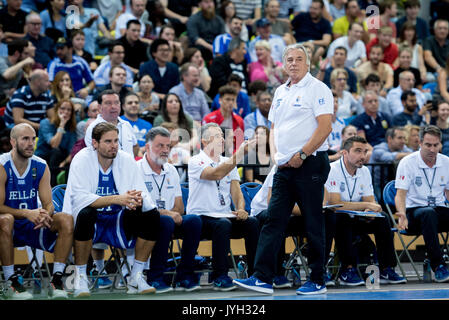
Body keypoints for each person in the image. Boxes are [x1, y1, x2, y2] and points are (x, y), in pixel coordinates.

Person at [234, 43, 334, 295]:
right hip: (284, 167)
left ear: (307, 63)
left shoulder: (318, 88)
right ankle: (262, 277)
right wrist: (278, 157)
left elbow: (325, 128)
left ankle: (318, 279)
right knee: (272, 219)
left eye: (298, 59)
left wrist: (302, 154)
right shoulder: (279, 91)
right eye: (288, 59)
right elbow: (275, 128)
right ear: (283, 63)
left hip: (310, 163)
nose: (292, 63)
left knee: (313, 222)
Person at [63, 122, 160, 297]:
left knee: (151, 215)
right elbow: (79, 198)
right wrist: (118, 198)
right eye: (108, 141)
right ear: (95, 143)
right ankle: (81, 276)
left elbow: (142, 193)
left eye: (116, 140)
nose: (113, 145)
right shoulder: (81, 159)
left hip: (117, 218)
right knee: (86, 213)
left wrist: (136, 199)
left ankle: (136, 275)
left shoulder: (126, 159)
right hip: (90, 220)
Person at [0, 123, 73, 300]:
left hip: (33, 224)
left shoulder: (41, 165)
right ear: (13, 142)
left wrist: (45, 214)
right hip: (7, 225)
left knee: (65, 219)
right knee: (6, 219)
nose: (31, 143)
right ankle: (11, 281)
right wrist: (27, 213)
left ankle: (56, 279)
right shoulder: (2, 165)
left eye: (33, 139)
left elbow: (48, 203)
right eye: (25, 139)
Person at [325, 135, 406, 286]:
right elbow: (335, 204)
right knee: (342, 219)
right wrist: (364, 206)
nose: (362, 156)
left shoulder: (365, 171)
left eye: (364, 151)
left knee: (382, 218)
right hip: (336, 219)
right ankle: (347, 270)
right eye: (357, 151)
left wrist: (371, 211)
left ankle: (386, 268)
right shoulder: (332, 169)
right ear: (344, 153)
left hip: (357, 217)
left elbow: (370, 202)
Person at [187, 123, 258, 291]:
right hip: (201, 217)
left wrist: (241, 209)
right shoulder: (196, 161)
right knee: (223, 224)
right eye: (217, 136)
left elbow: (236, 192)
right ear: (204, 141)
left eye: (222, 136)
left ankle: (255, 274)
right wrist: (240, 154)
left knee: (252, 222)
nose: (222, 139)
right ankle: (220, 276)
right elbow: (216, 174)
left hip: (224, 216)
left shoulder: (227, 161)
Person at [138, 127, 202, 292]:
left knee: (194, 220)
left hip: (169, 218)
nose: (165, 150)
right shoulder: (136, 168)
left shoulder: (171, 170)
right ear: (147, 146)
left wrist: (172, 214)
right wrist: (168, 214)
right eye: (160, 146)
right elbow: (140, 206)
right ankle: (156, 277)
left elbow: (179, 206)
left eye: (168, 146)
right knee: (165, 221)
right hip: (143, 220)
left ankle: (185, 275)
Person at [395, 125, 449, 283]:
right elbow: (400, 195)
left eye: (436, 145)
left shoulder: (446, 162)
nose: (432, 150)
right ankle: (438, 265)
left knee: (433, 213)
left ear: (440, 144)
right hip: (415, 213)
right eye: (428, 145)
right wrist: (402, 214)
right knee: (427, 213)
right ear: (419, 143)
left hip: (438, 210)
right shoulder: (407, 162)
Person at [35, 99, 77, 186]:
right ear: (56, 110)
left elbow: (72, 150)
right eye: (62, 108)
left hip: (60, 160)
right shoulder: (45, 123)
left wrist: (64, 162)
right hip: (43, 157)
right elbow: (54, 144)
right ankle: (50, 187)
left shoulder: (71, 128)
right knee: (56, 152)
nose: (65, 112)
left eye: (69, 110)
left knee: (71, 163)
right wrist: (62, 124)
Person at [85, 89, 139, 157]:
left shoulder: (126, 124)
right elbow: (93, 155)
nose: (113, 106)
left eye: (116, 102)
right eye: (108, 103)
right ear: (99, 107)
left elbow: (135, 146)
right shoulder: (93, 128)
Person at [202, 85, 245, 151]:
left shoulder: (239, 120)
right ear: (220, 100)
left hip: (233, 156)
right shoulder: (209, 119)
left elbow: (239, 146)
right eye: (227, 99)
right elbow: (205, 144)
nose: (230, 103)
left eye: (233, 100)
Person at [0, 38, 33, 104]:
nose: (28, 57)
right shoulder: (1, 61)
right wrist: (24, 62)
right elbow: (6, 75)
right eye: (25, 53)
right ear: (16, 53)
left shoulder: (19, 70)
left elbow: (12, 91)